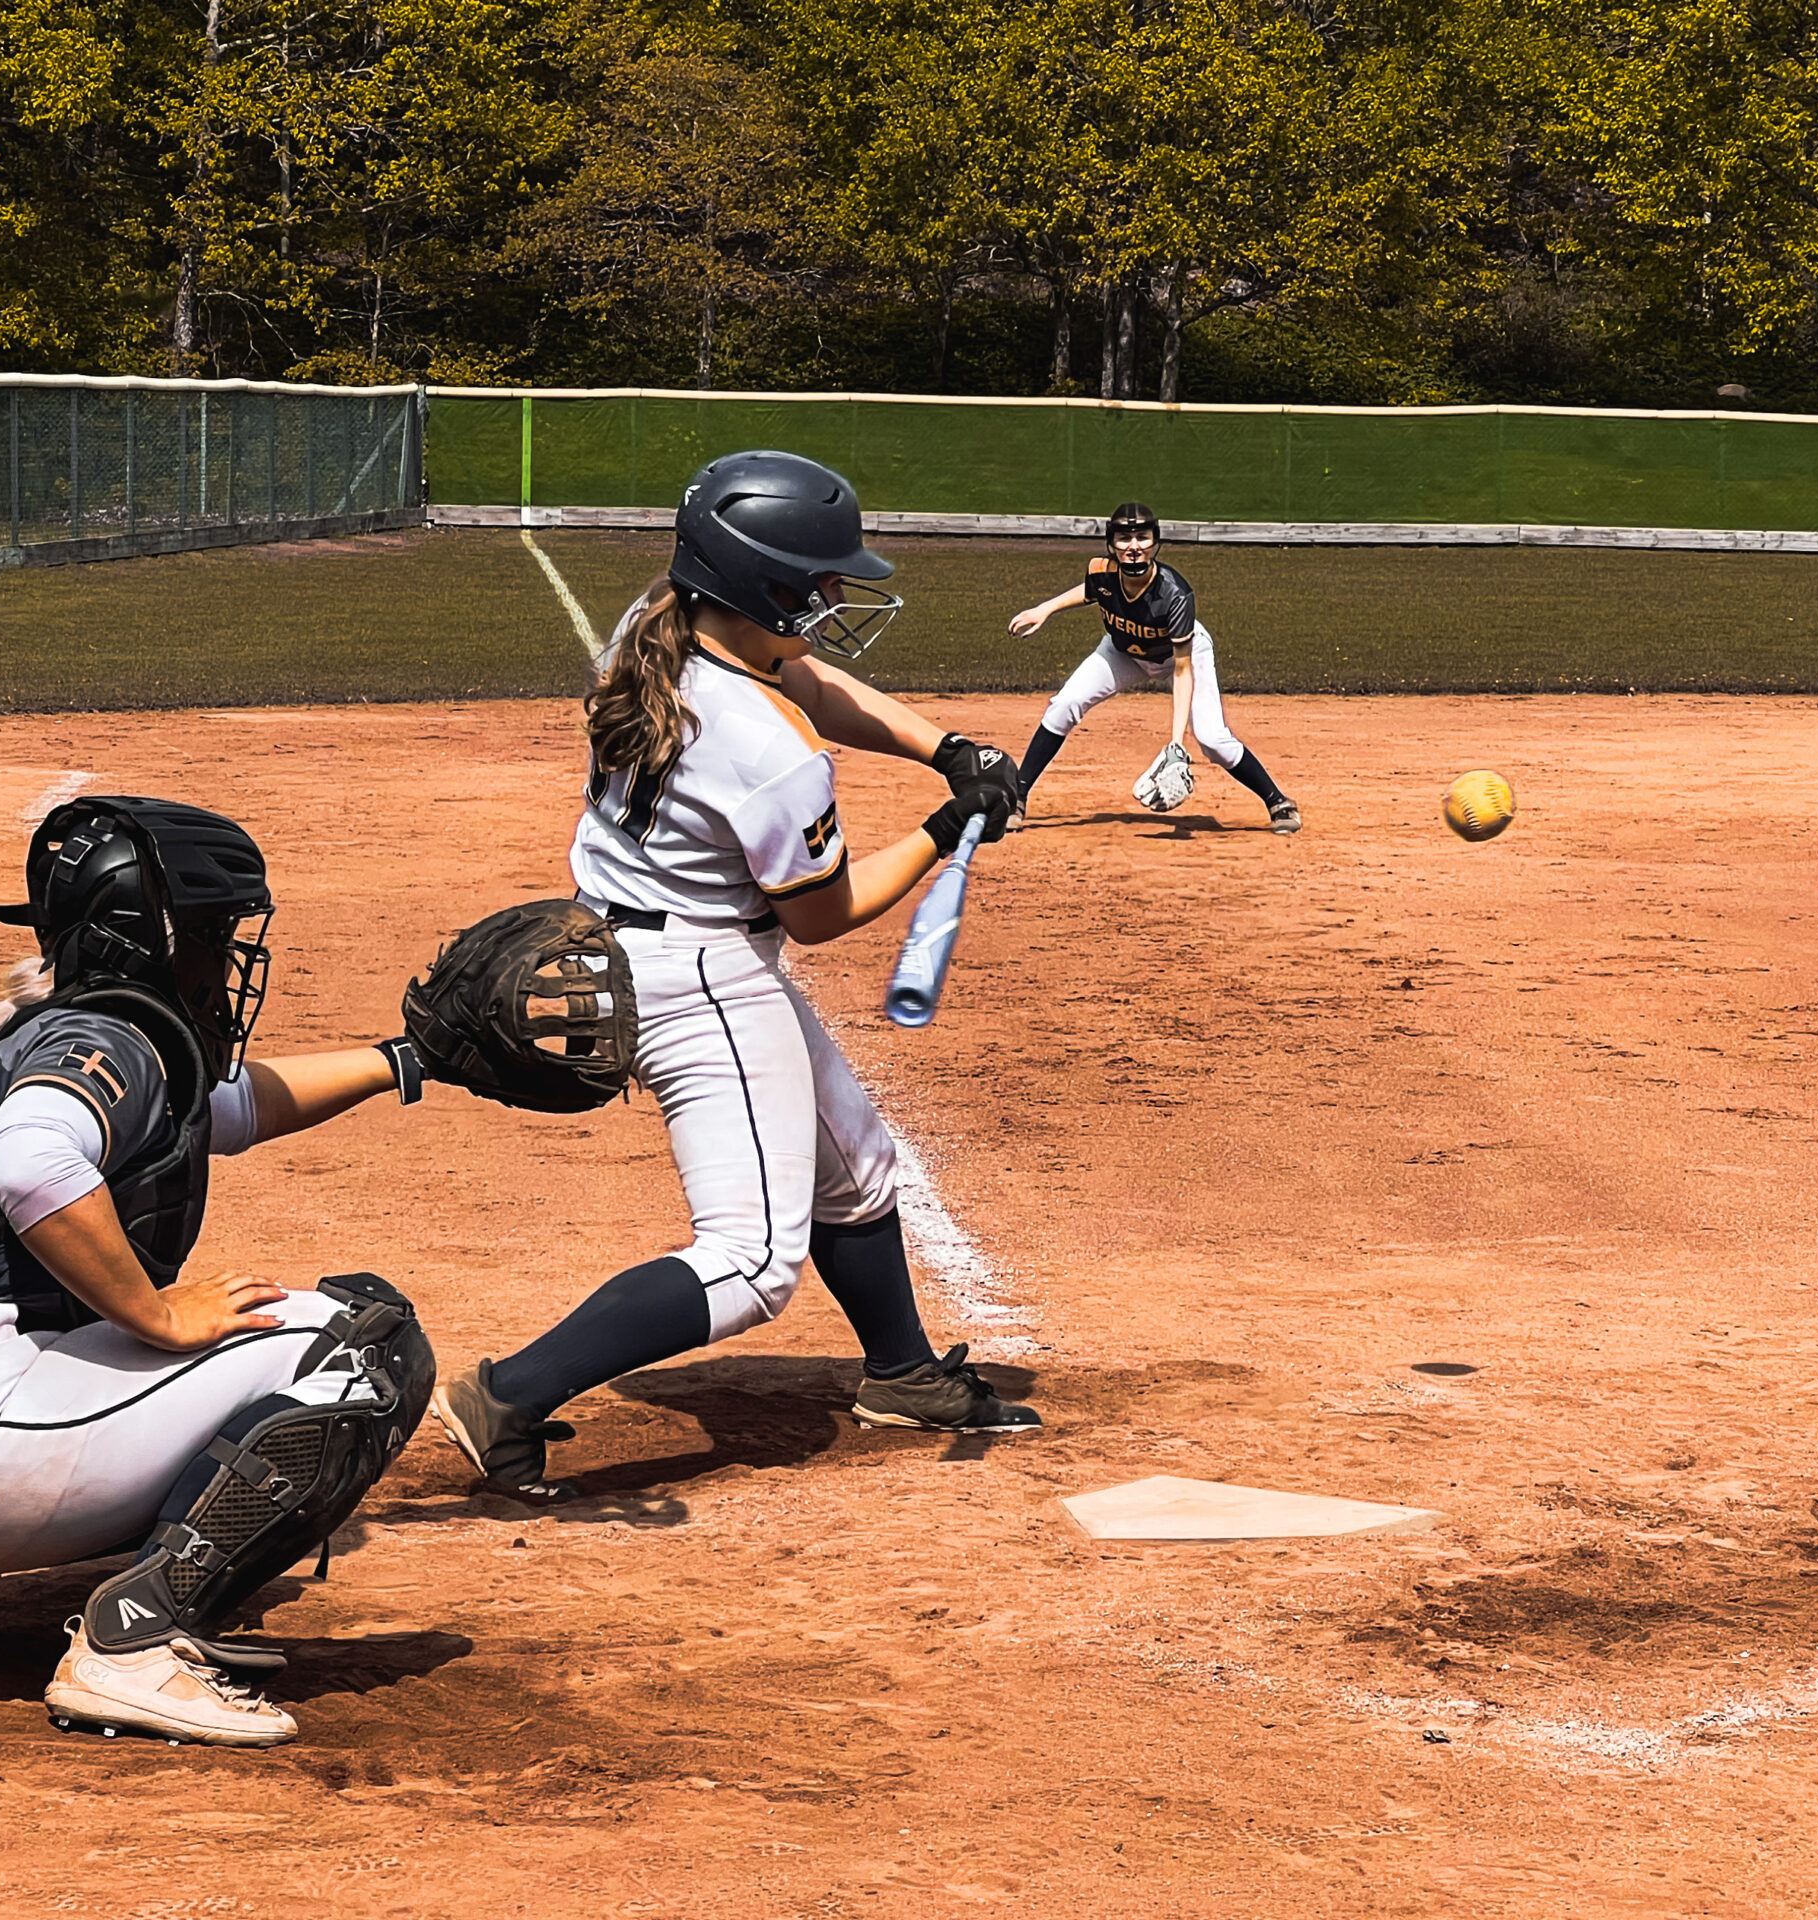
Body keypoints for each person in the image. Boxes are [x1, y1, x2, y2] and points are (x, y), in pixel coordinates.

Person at [429, 448, 1039, 1502]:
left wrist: (942, 749)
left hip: (631, 935)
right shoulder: (766, 754)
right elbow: (824, 916)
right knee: (752, 1262)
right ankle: (506, 1395)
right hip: (701, 976)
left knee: (852, 1164)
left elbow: (805, 675)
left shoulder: (655, 627)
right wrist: (948, 827)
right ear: (767, 588)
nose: (837, 593)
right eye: (820, 578)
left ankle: (899, 1374)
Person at [0, 795, 435, 1749]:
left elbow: (236, 1107)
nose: (231, 957)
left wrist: (406, 1060)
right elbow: (32, 1163)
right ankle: (134, 1646)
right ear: (156, 936)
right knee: (361, 1345)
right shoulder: (108, 1046)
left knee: (240, 1349)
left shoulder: (73, 1030)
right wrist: (156, 1316)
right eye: (217, 931)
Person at [1005, 501, 1302, 833]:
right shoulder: (1101, 570)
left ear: (1155, 542)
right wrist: (1044, 609)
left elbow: (1183, 669)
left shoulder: (1174, 594)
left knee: (1213, 740)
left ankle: (1278, 802)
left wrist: (1176, 744)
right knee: (1065, 704)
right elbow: (1092, 590)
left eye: (1142, 537)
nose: (1133, 547)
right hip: (1123, 653)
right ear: (1111, 544)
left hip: (1182, 655)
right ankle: (1016, 796)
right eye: (1124, 539)